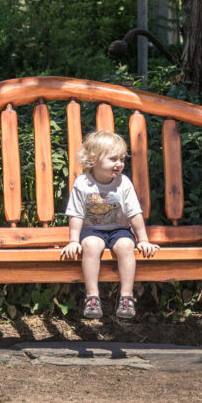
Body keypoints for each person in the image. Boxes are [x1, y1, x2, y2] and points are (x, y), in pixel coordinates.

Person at [59, 129, 159, 319]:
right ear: (93, 159)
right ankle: (92, 297)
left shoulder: (123, 183)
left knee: (126, 245)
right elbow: (76, 214)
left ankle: (127, 297)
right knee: (90, 245)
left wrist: (143, 240)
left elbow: (134, 213)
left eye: (121, 159)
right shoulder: (83, 183)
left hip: (119, 230)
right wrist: (73, 241)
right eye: (113, 159)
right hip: (92, 230)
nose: (119, 164)